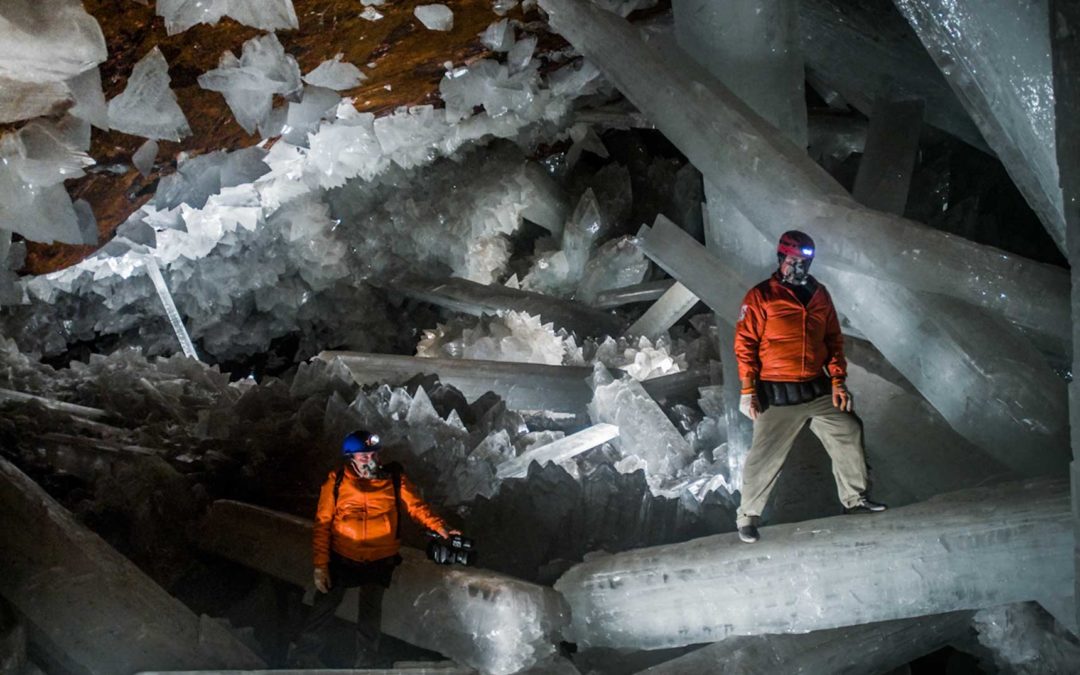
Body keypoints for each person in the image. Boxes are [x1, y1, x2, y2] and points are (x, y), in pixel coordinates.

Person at [733, 230, 886, 544]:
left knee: (848, 429)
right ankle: (747, 517)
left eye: (804, 261)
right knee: (764, 457)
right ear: (781, 259)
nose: (798, 267)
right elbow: (745, 344)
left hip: (816, 390)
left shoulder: (819, 294)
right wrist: (748, 389)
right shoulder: (761, 296)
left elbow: (833, 340)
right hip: (776, 395)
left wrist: (838, 381)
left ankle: (855, 500)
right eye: (793, 260)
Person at [290, 429, 459, 666]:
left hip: (380, 559)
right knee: (324, 606)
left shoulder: (394, 479)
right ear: (351, 458)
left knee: (370, 615)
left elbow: (417, 508)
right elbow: (323, 524)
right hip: (344, 556)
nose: (369, 460)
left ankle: (366, 664)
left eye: (373, 454)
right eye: (362, 456)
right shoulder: (336, 481)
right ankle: (304, 657)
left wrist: (442, 528)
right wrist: (320, 565)